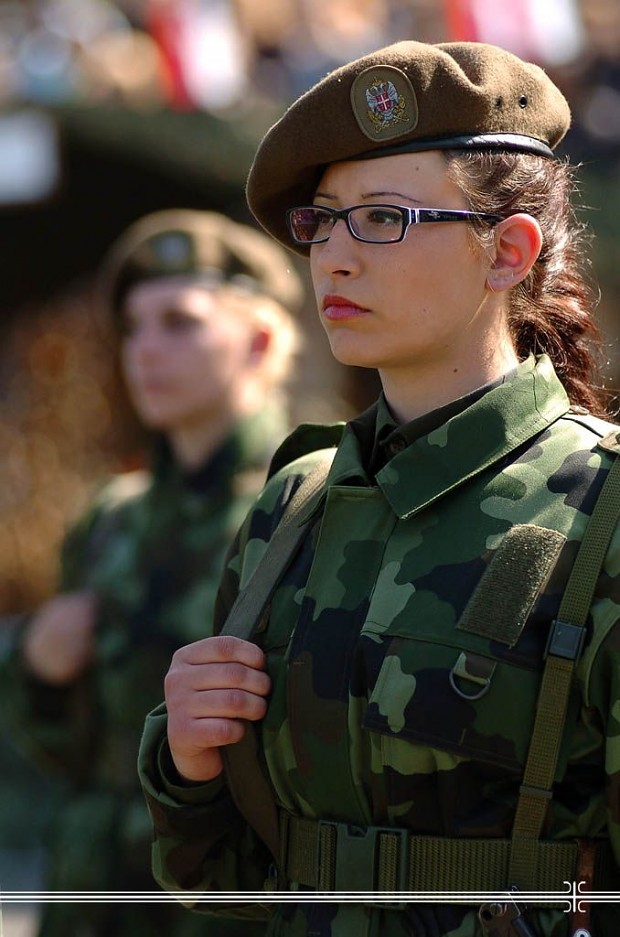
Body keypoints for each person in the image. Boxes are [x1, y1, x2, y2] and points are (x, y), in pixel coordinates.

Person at [138, 41, 620, 937]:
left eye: (384, 220)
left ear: (507, 252)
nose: (334, 258)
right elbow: (226, 885)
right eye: (323, 222)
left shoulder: (603, 512)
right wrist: (186, 766)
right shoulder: (295, 506)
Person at [2, 208, 303, 937]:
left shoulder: (303, 514)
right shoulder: (111, 518)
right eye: (134, 327)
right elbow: (65, 748)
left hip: (217, 907)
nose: (145, 350)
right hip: (89, 899)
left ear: (260, 340)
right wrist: (35, 667)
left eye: (181, 321)